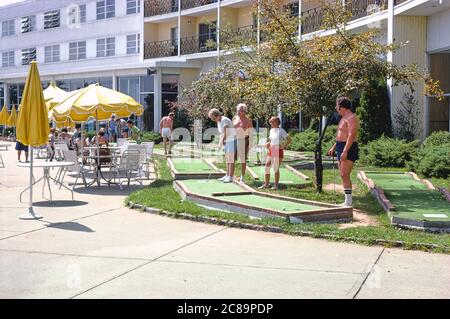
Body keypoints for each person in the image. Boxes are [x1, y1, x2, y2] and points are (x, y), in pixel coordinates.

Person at [327, 96, 360, 207]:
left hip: (349, 147)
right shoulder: (343, 118)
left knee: (344, 174)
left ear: (341, 107)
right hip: (341, 146)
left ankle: (349, 202)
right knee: (343, 174)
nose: (336, 108)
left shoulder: (351, 118)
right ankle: (347, 200)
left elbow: (351, 136)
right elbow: (342, 135)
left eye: (337, 106)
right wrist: (334, 146)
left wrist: (345, 151)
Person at [259, 116, 291, 190]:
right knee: (267, 165)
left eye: (272, 121)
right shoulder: (271, 130)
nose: (271, 123)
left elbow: (289, 139)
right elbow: (271, 141)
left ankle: (276, 185)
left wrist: (283, 146)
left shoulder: (281, 130)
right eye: (270, 121)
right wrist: (266, 144)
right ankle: (266, 184)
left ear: (277, 122)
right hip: (271, 149)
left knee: (275, 168)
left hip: (278, 150)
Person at [208, 108, 236, 183]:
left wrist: (223, 141)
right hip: (227, 140)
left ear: (216, 115)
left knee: (230, 159)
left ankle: (230, 177)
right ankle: (227, 175)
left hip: (232, 140)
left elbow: (227, 131)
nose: (213, 120)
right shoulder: (219, 122)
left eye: (213, 118)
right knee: (227, 158)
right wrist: (219, 144)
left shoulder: (224, 120)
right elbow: (222, 134)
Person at [232, 103, 253, 183]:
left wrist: (250, 144)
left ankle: (242, 177)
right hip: (234, 139)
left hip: (244, 140)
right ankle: (231, 175)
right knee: (232, 158)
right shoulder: (234, 118)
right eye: (237, 110)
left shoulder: (248, 121)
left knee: (243, 160)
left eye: (240, 110)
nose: (238, 112)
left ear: (244, 111)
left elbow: (251, 133)